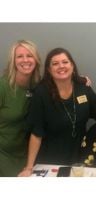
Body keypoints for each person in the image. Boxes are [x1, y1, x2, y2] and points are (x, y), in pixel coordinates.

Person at [18, 47, 96, 176]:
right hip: (50, 160)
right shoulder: (41, 93)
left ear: (72, 66)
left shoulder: (83, 88)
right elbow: (36, 133)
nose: (61, 66)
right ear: (49, 70)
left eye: (65, 62)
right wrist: (28, 167)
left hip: (80, 158)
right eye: (55, 64)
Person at [0, 40, 41, 176]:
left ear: (36, 59)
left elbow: (59, 80)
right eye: (19, 56)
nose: (25, 60)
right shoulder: (3, 87)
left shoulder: (37, 85)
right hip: (3, 154)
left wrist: (78, 79)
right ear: (13, 61)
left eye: (29, 55)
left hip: (26, 155)